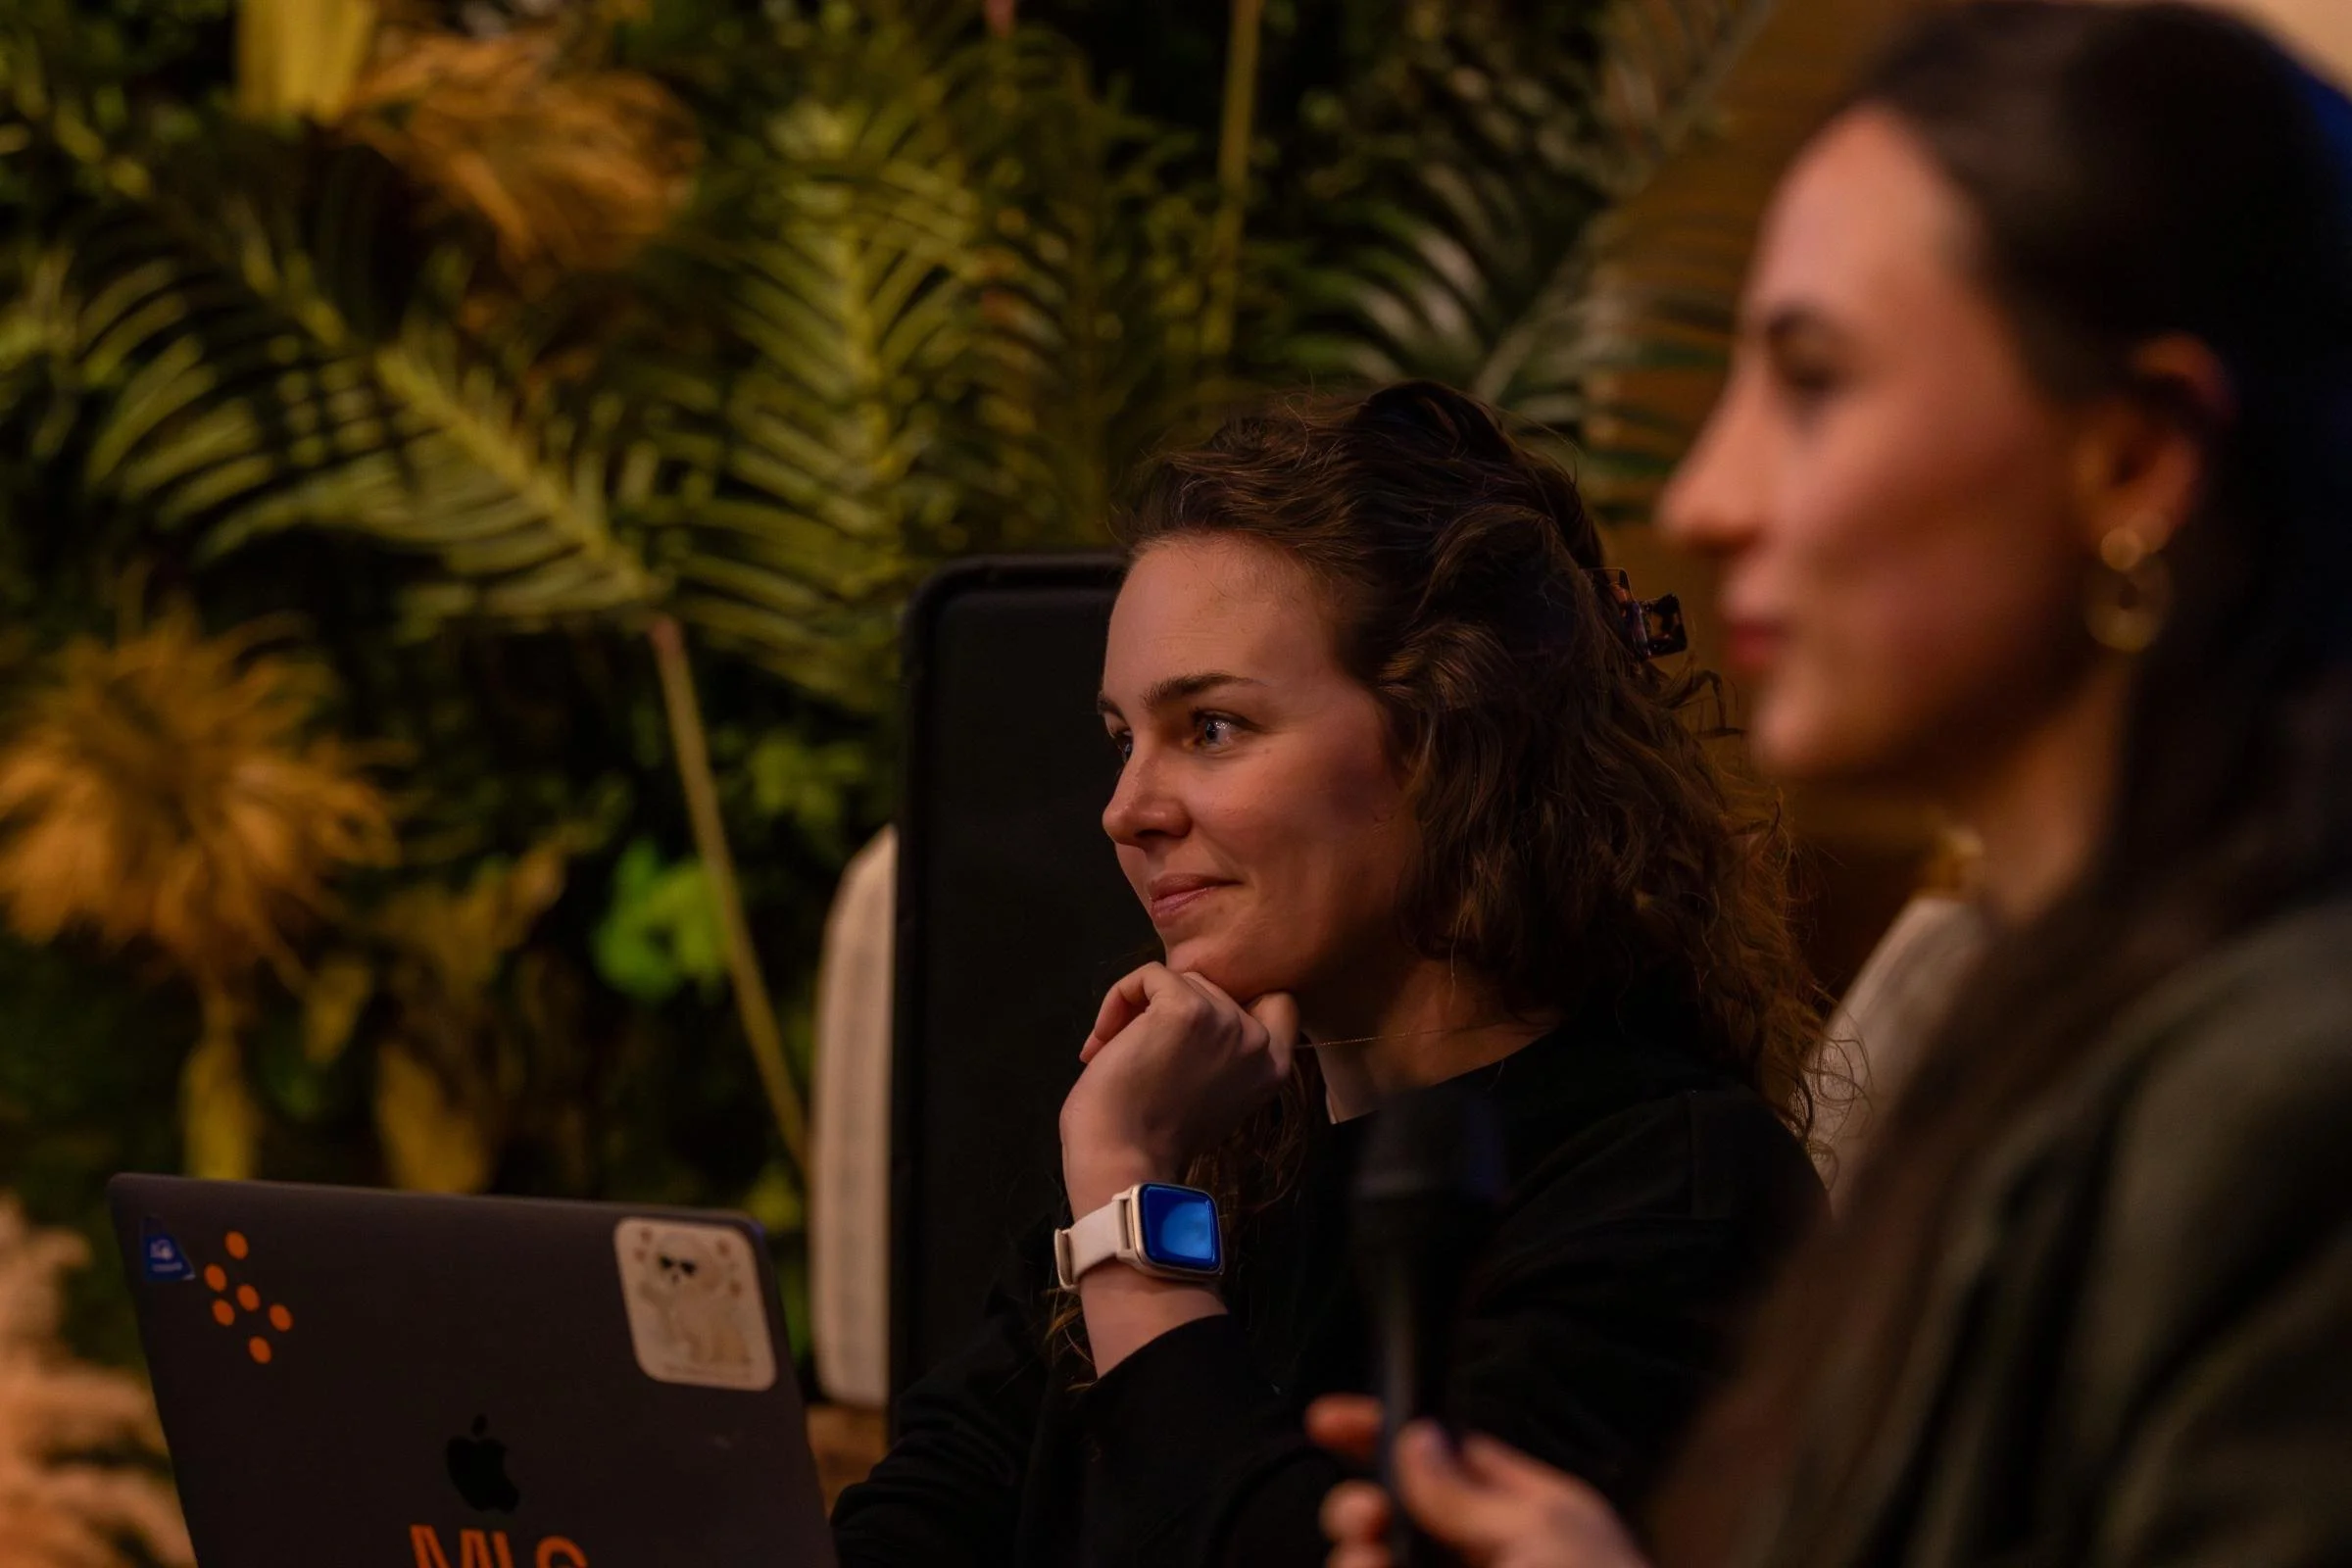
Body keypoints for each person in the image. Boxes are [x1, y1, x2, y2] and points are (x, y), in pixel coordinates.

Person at [1314, 5, 2352, 1566]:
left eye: (1811, 381)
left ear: (2133, 464)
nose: (1705, 496)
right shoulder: (2017, 1008)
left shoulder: (2293, 1101)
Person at [830, 382, 1828, 1567]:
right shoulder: (1216, 1144)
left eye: (1210, 727)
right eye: (1122, 739)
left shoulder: (1673, 1190)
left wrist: (1132, 1234)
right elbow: (918, 1518)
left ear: (1450, 739)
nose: (1125, 808)